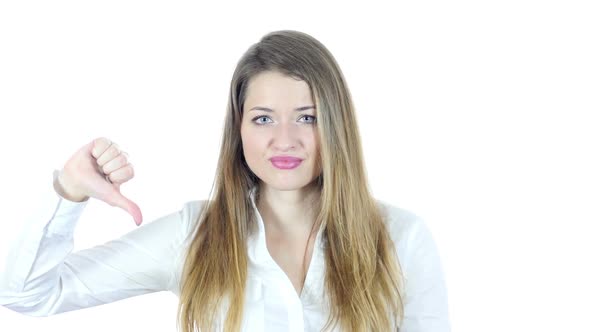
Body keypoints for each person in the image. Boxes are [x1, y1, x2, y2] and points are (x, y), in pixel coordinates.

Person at [0, 30, 450, 331]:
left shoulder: (400, 238)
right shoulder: (194, 236)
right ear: (239, 129)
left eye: (307, 117)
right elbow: (26, 295)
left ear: (336, 125)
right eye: (263, 118)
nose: (284, 140)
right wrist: (68, 193)